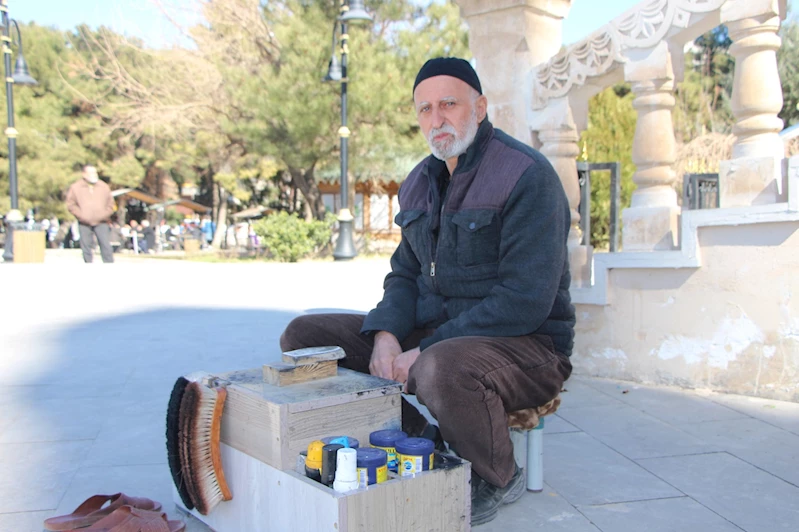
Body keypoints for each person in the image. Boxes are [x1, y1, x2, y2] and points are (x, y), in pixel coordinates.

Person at [279, 58, 574, 525]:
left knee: (440, 365)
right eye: (424, 109)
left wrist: (427, 348)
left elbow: (525, 299)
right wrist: (386, 336)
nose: (436, 119)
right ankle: (424, 443)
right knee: (306, 337)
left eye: (449, 104)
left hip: (528, 345)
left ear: (479, 107)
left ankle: (496, 474)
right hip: (439, 334)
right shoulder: (417, 182)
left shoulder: (526, 176)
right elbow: (403, 276)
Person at [65, 165, 115, 263]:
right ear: (84, 174)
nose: (94, 175)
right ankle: (88, 266)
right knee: (86, 246)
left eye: (95, 172)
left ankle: (109, 266)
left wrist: (105, 214)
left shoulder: (103, 186)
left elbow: (111, 203)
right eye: (91, 173)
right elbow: (71, 204)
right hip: (84, 222)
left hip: (102, 221)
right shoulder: (76, 187)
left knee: (105, 245)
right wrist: (81, 215)